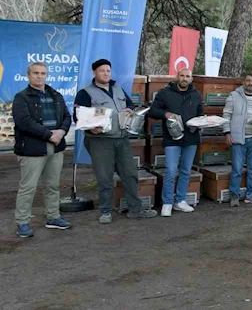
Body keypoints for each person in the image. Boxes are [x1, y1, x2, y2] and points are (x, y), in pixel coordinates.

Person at [74, 59, 158, 223]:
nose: (106, 74)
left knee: (130, 174)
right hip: (100, 141)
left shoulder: (118, 88)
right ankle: (105, 211)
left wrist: (130, 110)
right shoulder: (85, 93)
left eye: (108, 71)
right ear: (94, 73)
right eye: (102, 71)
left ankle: (136, 209)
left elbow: (130, 105)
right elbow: (78, 116)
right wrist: (90, 128)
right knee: (104, 177)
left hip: (122, 139)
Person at [13, 62, 73, 237]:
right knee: (28, 187)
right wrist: (48, 135)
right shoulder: (21, 97)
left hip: (55, 148)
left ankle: (53, 217)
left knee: (52, 185)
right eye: (36, 73)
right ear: (28, 75)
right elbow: (24, 122)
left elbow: (67, 117)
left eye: (43, 73)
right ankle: (22, 222)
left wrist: (61, 131)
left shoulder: (56, 95)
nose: (40, 76)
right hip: (32, 148)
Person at [149, 68, 204, 217]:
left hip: (191, 138)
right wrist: (165, 114)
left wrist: (200, 122)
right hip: (172, 138)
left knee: (186, 170)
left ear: (191, 79)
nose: (184, 78)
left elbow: (200, 114)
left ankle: (180, 200)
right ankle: (167, 202)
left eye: (187, 76)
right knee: (171, 171)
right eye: (182, 76)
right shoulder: (165, 93)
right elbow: (152, 111)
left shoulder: (196, 95)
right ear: (177, 77)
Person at [222, 73, 252, 207]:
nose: (250, 83)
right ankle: (234, 196)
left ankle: (250, 195)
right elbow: (226, 115)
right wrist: (227, 133)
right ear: (243, 82)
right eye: (248, 80)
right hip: (238, 138)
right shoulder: (233, 96)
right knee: (237, 169)